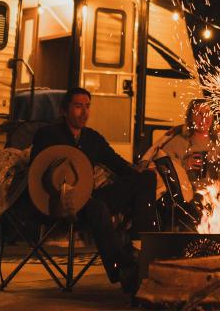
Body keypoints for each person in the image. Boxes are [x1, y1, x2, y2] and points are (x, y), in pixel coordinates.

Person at [30, 87, 157, 293]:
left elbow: (119, 166)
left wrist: (141, 169)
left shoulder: (92, 139)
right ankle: (124, 269)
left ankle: (139, 244)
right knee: (97, 207)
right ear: (64, 110)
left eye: (87, 106)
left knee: (146, 179)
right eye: (78, 106)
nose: (84, 112)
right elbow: (36, 171)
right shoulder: (48, 134)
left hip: (89, 199)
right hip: (60, 203)